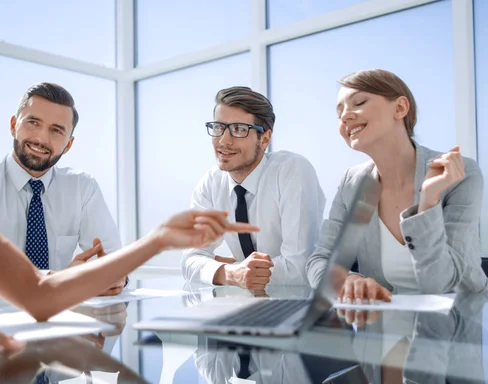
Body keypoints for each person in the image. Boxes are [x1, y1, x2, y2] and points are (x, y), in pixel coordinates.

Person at [0, 0, 257, 369]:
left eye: (56, 130)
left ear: (69, 142)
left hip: (21, 348)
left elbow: (37, 293)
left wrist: (159, 239)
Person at [306, 69, 487, 303]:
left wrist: (428, 201)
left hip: (459, 324)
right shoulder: (352, 183)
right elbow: (319, 261)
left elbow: (441, 284)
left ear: (400, 108)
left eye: (359, 102)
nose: (345, 117)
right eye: (339, 112)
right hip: (382, 328)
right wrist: (347, 280)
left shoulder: (458, 174)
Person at [0, 82, 125, 299]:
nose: (41, 139)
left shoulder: (82, 188)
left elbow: (110, 260)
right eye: (33, 122)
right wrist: (55, 280)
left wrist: (113, 276)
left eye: (56, 130)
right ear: (13, 125)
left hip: (60, 324)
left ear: (68, 145)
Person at [182, 86, 325, 290]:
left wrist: (234, 270)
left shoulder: (291, 170)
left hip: (303, 304)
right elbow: (190, 258)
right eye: (218, 127)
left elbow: (299, 269)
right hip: (249, 304)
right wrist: (230, 273)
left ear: (265, 138)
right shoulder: (212, 182)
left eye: (239, 129)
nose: (223, 140)